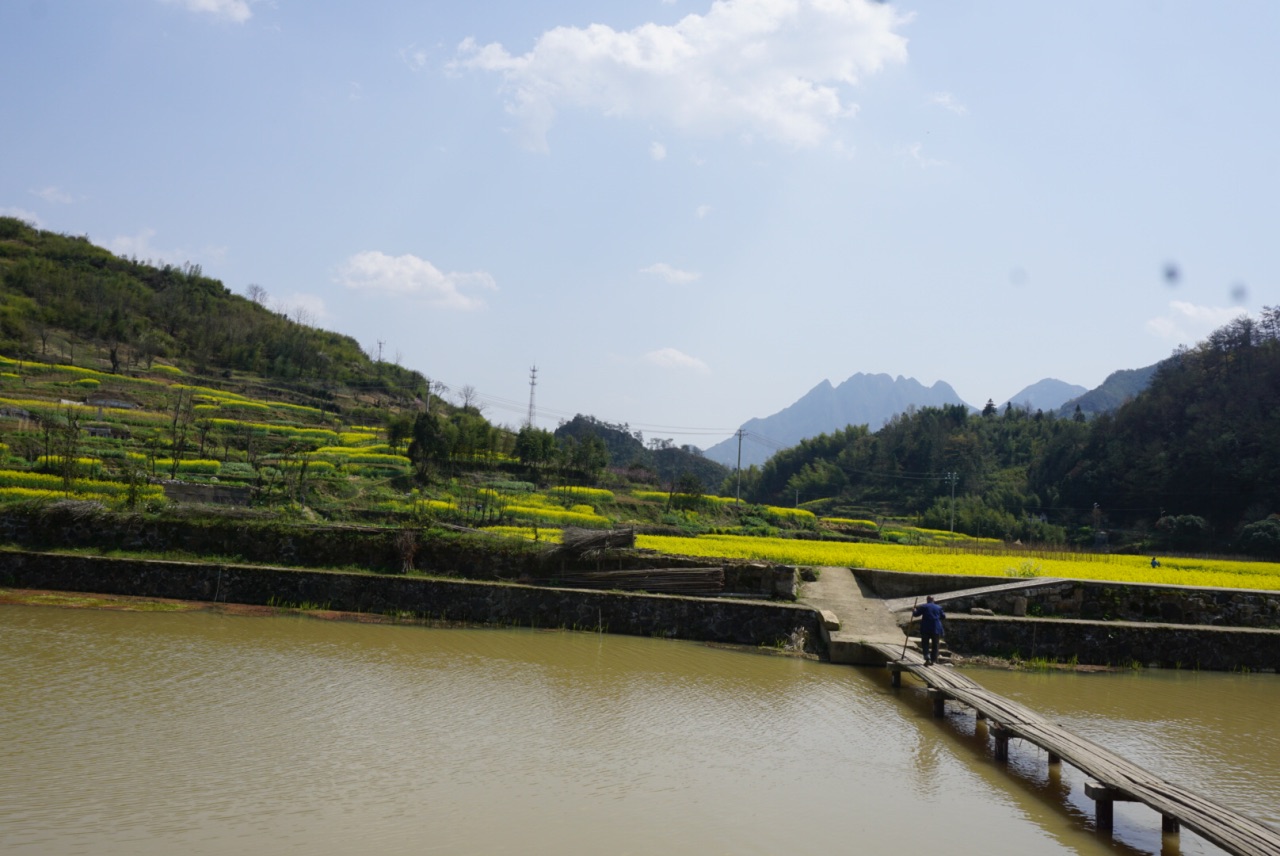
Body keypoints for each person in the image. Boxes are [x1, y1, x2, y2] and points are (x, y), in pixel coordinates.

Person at [912, 596, 946, 666]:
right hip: (936, 628)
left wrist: (914, 610)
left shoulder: (924, 607)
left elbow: (916, 614)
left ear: (927, 600)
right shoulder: (939, 607)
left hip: (926, 628)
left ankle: (927, 657)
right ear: (933, 600)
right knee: (935, 644)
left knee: (925, 643)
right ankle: (933, 660)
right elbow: (943, 617)